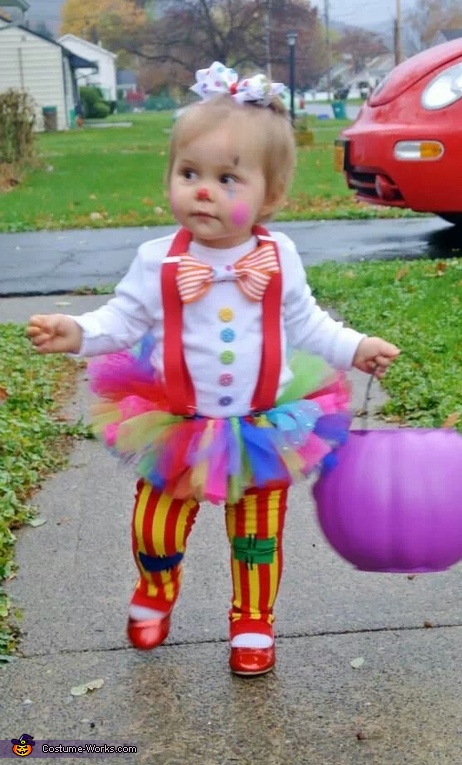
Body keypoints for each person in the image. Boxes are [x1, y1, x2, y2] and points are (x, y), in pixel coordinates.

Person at [27, 61, 400, 677]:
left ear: (269, 197)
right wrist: (78, 334)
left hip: (264, 427)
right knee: (156, 528)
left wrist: (355, 346)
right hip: (177, 425)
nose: (203, 189)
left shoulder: (279, 257)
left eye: (228, 178)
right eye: (189, 173)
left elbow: (307, 324)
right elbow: (122, 319)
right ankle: (155, 591)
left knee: (256, 536)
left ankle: (252, 620)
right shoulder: (157, 260)